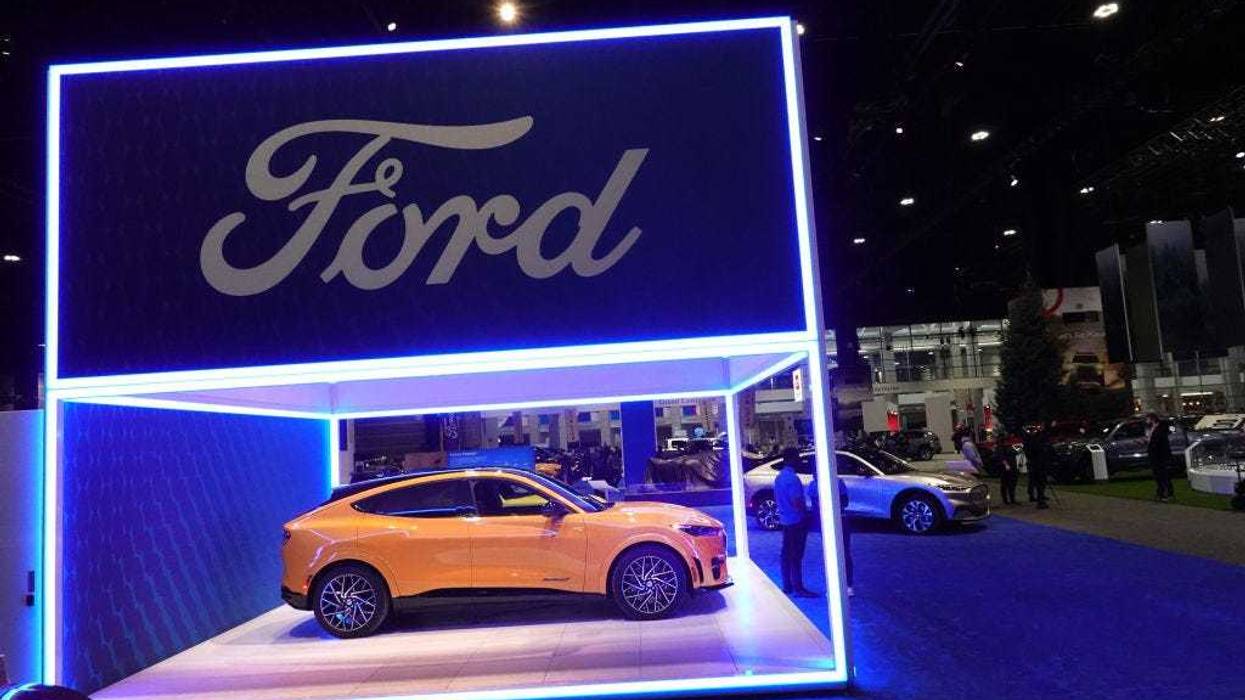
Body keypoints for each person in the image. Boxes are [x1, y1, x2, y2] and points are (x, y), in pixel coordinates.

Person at [775, 447, 818, 597]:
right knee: (796, 555)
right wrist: (806, 514)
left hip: (785, 520)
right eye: (797, 457)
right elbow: (796, 501)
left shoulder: (779, 477)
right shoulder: (792, 479)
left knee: (786, 554)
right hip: (796, 520)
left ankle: (787, 585)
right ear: (792, 459)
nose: (800, 460)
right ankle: (798, 587)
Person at [1146, 413, 1175, 502]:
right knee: (1157, 475)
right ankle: (1160, 492)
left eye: (1148, 419)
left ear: (1152, 419)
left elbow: (1159, 440)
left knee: (1163, 474)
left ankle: (1168, 493)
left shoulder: (1161, 428)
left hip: (1160, 454)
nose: (1147, 421)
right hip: (1154, 454)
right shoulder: (1152, 428)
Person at [1022, 425, 1050, 509]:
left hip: (1038, 464)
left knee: (1040, 482)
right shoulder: (1030, 441)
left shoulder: (1031, 441)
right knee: (1038, 482)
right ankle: (1039, 500)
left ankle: (1040, 498)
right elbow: (1033, 451)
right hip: (1035, 465)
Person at [998, 439, 1020, 505]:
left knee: (1012, 484)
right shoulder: (1001, 448)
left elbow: (1017, 452)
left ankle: (1012, 499)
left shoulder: (1011, 447)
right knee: (1005, 484)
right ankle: (1006, 500)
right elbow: (1002, 458)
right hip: (1006, 468)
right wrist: (1006, 465)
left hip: (1013, 467)